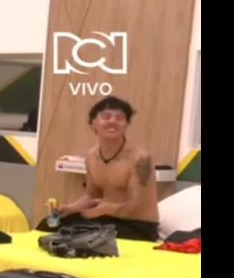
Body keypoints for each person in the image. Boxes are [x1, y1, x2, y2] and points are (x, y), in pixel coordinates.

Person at [38, 96, 159, 242]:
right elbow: (92, 196)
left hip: (137, 225)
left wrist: (106, 209)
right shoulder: (91, 156)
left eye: (119, 118)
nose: (112, 121)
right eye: (106, 117)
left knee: (82, 236)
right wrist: (70, 208)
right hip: (105, 218)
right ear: (93, 124)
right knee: (48, 225)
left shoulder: (140, 158)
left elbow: (137, 206)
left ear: (126, 125)